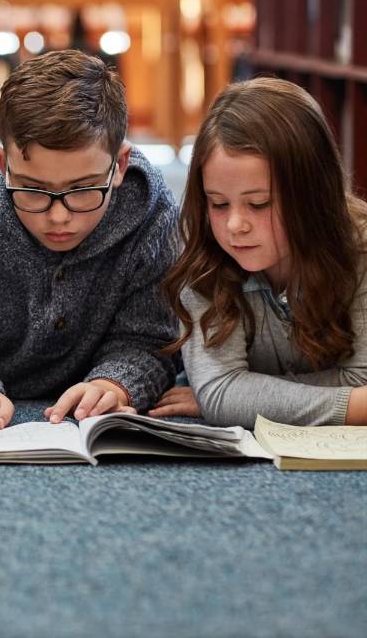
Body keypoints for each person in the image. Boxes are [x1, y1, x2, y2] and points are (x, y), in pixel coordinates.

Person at [0, 49, 177, 434]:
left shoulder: (152, 213)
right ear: (3, 165)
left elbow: (150, 340)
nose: (58, 216)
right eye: (32, 189)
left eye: (83, 189)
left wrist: (115, 383)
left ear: (119, 165)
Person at [154, 78, 367, 426]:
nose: (236, 224)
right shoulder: (203, 258)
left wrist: (243, 396)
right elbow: (223, 392)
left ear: (314, 194)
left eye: (259, 203)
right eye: (218, 204)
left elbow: (362, 379)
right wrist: (223, 396)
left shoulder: (359, 248)